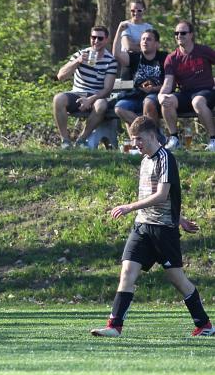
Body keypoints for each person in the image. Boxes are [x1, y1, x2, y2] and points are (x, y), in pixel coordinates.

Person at [91, 116, 213, 338]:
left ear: (152, 136)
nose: (136, 143)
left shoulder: (166, 158)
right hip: (142, 227)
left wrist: (130, 207)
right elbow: (156, 197)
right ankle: (114, 326)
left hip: (163, 230)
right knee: (127, 271)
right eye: (132, 139)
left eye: (139, 139)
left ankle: (204, 324)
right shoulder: (144, 160)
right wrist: (181, 218)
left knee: (177, 279)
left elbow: (162, 195)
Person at [53, 26, 118, 148]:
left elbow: (107, 89)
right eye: (93, 37)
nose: (96, 41)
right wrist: (76, 62)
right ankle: (65, 141)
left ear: (106, 40)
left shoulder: (110, 61)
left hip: (96, 96)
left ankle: (82, 139)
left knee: (101, 105)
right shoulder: (80, 54)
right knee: (58, 99)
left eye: (100, 38)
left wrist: (90, 99)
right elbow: (60, 76)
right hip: (76, 93)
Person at [158, 21, 215, 151]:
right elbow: (168, 82)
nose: (179, 36)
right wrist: (161, 96)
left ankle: (213, 139)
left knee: (197, 102)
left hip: (206, 92)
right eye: (176, 33)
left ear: (191, 35)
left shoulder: (203, 51)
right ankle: (174, 139)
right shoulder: (172, 58)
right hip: (185, 94)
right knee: (167, 101)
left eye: (183, 33)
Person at [113, 29, 167, 126]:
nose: (145, 41)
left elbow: (170, 82)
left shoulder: (164, 58)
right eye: (143, 39)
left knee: (148, 102)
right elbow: (116, 54)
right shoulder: (135, 57)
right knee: (119, 108)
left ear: (157, 44)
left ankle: (152, 136)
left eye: (149, 39)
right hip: (135, 96)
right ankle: (154, 134)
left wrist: (153, 89)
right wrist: (120, 30)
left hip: (155, 96)